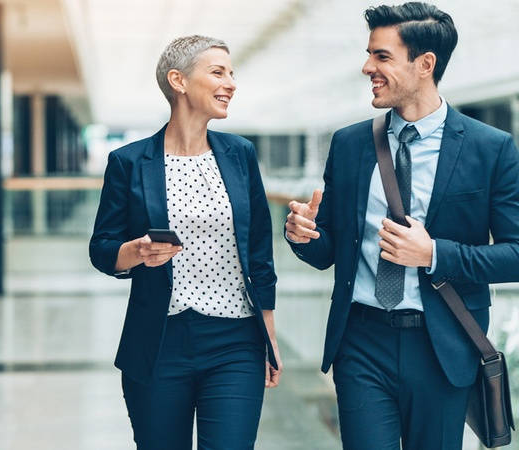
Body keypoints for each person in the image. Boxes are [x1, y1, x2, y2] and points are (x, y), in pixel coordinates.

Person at [285, 3, 519, 449]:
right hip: (361, 342)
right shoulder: (350, 144)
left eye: (382, 56)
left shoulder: (491, 149)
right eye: (369, 54)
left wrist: (433, 254)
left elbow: (517, 253)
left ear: (425, 64)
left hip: (443, 346)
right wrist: (303, 235)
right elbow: (328, 249)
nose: (367, 67)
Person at [89, 35, 281, 449]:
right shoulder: (129, 162)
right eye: (218, 72)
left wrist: (268, 334)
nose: (231, 82)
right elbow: (102, 248)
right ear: (178, 80)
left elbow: (260, 251)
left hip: (236, 340)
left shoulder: (240, 154)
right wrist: (135, 252)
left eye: (232, 73)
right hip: (159, 341)